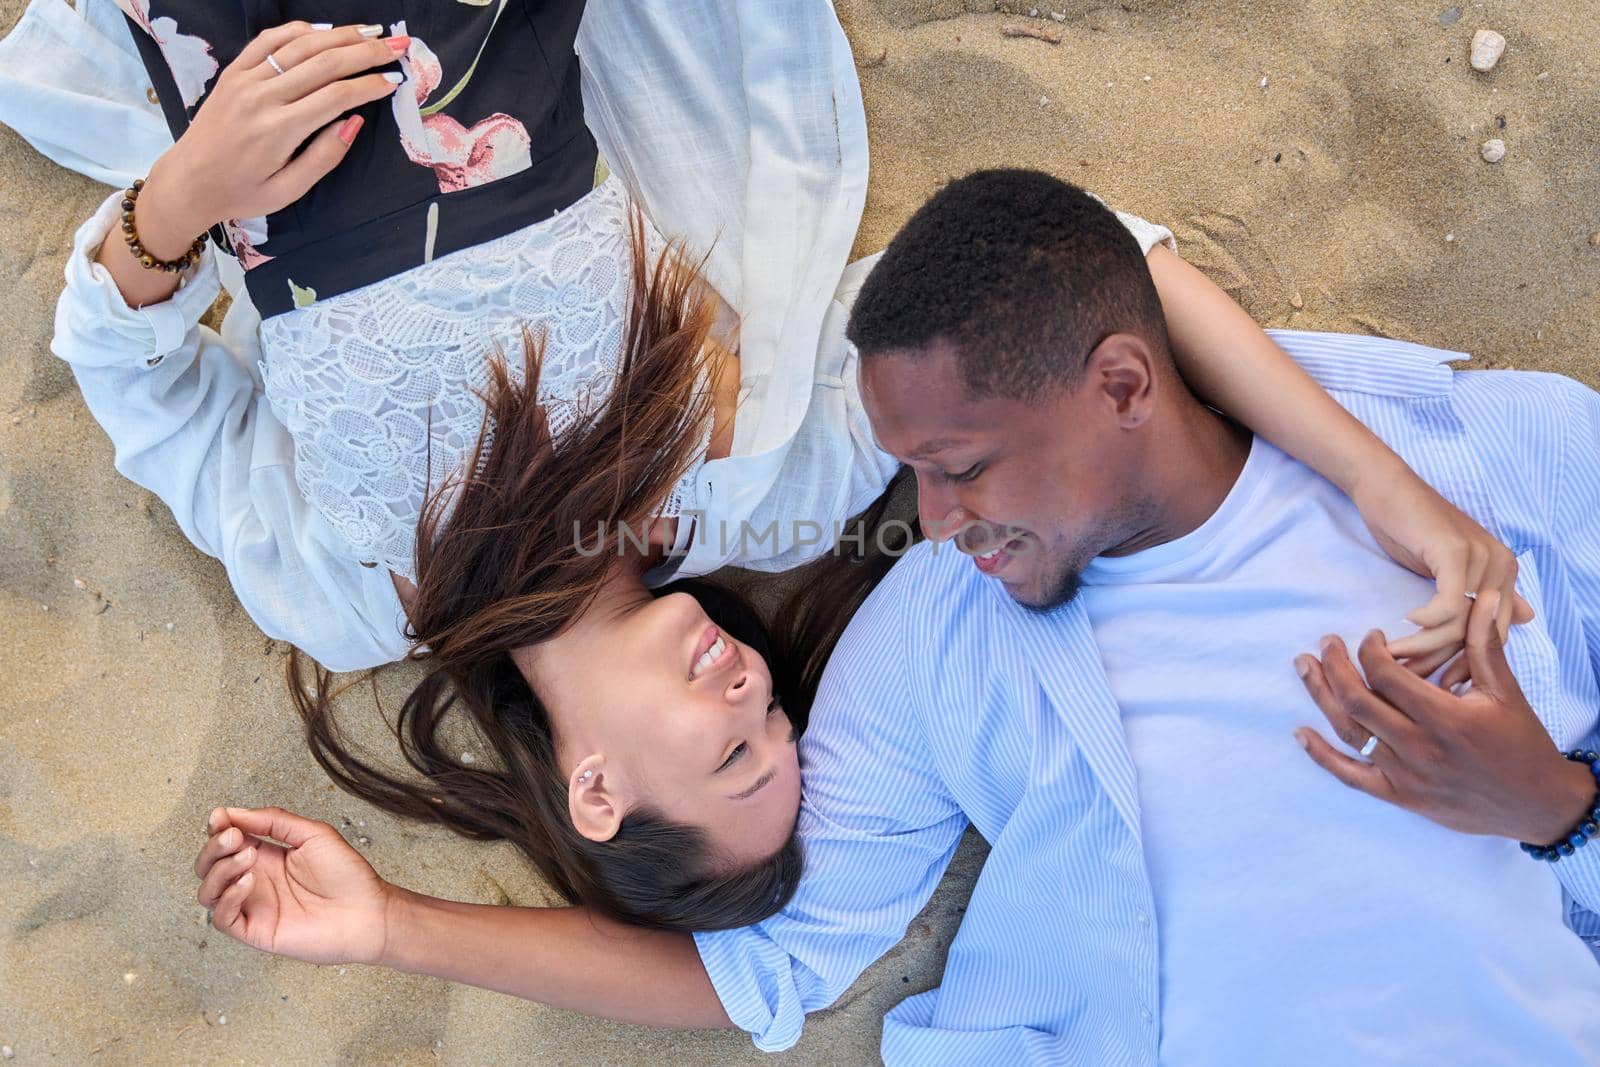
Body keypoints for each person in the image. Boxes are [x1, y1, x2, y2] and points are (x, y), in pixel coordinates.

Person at [16, 1, 1522, 931]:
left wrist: (177, 199)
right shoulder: (749, 491)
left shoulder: (351, 602)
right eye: (779, 723)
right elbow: (1101, 269)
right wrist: (1395, 495)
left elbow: (131, 373)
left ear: (595, 792)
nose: (753, 691)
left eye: (733, 753)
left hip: (234, 71)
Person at [194, 172, 1600, 1064]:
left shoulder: (1510, 465)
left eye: (965, 471)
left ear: (1120, 385)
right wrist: (390, 931)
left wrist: (1556, 805)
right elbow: (764, 966)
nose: (927, 522)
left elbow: (1121, 259)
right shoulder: (940, 635)